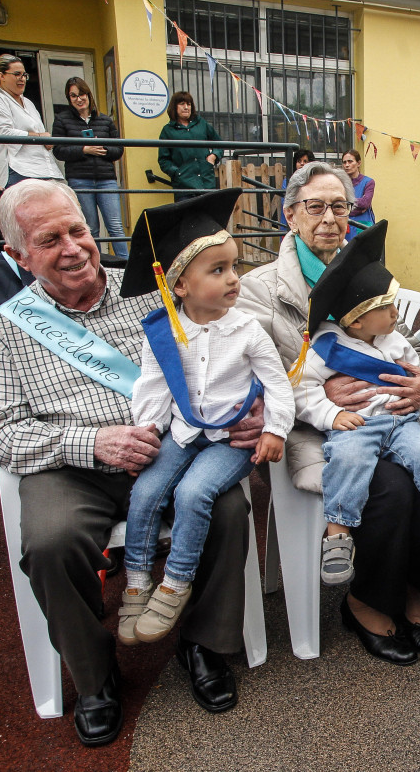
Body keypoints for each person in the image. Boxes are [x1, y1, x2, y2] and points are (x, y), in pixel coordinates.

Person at [0, 180, 258, 746]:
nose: (73, 247)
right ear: (18, 255)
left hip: (171, 449)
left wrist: (252, 408)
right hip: (69, 465)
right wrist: (92, 442)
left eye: (77, 230)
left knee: (226, 507)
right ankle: (96, 674)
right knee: (52, 541)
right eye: (49, 239)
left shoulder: (154, 293)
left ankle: (202, 644)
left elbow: (230, 356)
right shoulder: (5, 327)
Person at [238, 161, 420, 666]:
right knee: (393, 483)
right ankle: (367, 602)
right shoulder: (258, 290)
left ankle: (416, 587)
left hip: (391, 415)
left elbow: (409, 347)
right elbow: (248, 380)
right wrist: (319, 383)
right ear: (291, 215)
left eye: (341, 206)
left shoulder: (368, 273)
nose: (330, 218)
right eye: (315, 207)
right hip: (318, 426)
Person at [117, 189, 293, 645]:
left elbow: (277, 385)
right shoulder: (164, 332)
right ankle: (136, 584)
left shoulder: (247, 330)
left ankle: (175, 583)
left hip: (231, 440)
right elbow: (153, 387)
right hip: (183, 430)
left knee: (195, 492)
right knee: (147, 490)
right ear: (180, 286)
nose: (235, 278)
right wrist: (148, 431)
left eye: (234, 266)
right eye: (218, 270)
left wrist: (274, 429)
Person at [291, 221, 420, 586]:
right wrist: (333, 413)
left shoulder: (397, 344)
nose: (396, 314)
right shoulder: (325, 350)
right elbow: (300, 391)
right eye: (387, 307)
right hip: (357, 426)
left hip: (402, 424)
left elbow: (413, 389)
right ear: (357, 321)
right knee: (347, 461)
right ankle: (338, 537)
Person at [52, 77, 127, 258]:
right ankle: (97, 266)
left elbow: (118, 149)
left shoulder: (105, 120)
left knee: (115, 225)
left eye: (82, 94)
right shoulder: (62, 120)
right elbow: (58, 150)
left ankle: (126, 265)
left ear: (88, 94)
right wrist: (84, 149)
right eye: (73, 96)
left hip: (106, 179)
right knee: (90, 227)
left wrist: (102, 149)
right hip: (80, 178)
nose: (79, 99)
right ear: (69, 99)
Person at [0, 54, 63, 188]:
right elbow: (5, 133)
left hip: (45, 169)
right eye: (17, 74)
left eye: (24, 75)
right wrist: (40, 137)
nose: (22, 79)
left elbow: (41, 134)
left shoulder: (28, 103)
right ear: (2, 76)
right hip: (19, 169)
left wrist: (46, 140)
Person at [158, 91, 222, 199]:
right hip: (184, 187)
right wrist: (177, 173)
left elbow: (219, 143)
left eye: (189, 104)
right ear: (175, 106)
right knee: (187, 215)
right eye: (182, 104)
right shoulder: (167, 130)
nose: (186, 107)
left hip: (206, 182)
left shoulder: (201, 124)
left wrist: (213, 156)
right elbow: (163, 160)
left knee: (207, 215)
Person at [279, 148, 316, 227]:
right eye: (299, 161)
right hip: (291, 221)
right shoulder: (288, 181)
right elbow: (285, 202)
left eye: (305, 161)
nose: (302, 164)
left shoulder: (314, 181)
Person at [341, 149, 375, 233]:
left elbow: (365, 203)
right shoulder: (340, 183)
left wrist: (346, 203)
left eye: (350, 161)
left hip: (363, 224)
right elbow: (337, 205)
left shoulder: (368, 182)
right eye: (344, 162)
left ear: (358, 163)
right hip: (345, 225)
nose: (347, 165)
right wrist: (359, 208)